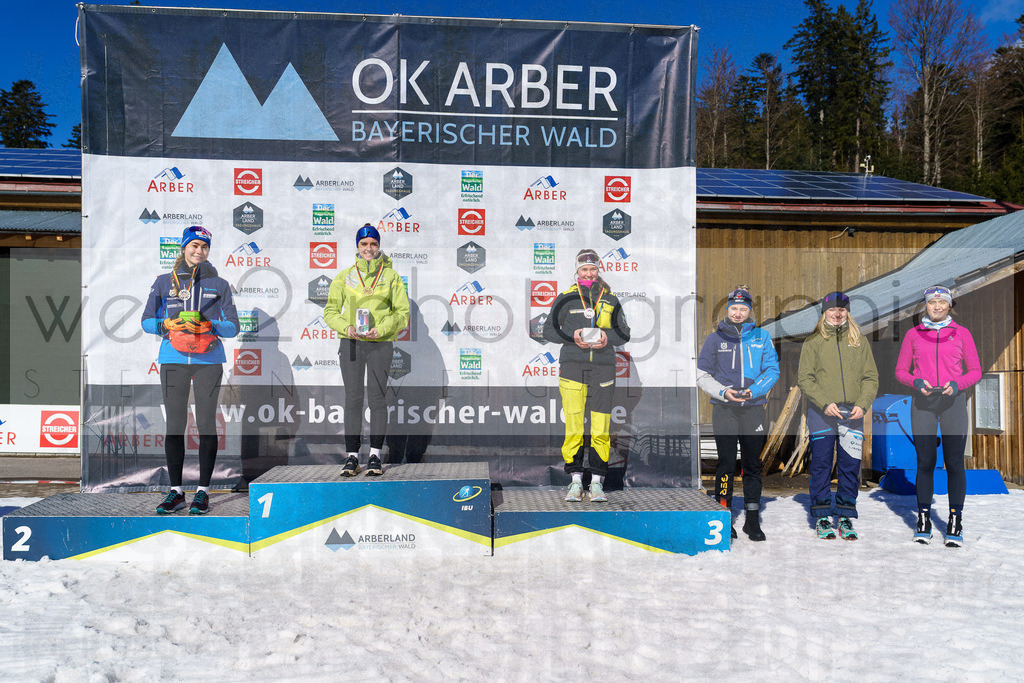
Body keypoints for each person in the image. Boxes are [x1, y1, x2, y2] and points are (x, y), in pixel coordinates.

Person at [141, 226, 239, 514]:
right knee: (174, 425)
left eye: (205, 247)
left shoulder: (219, 284)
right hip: (173, 359)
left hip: (209, 360)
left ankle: (203, 492)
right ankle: (175, 491)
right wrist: (166, 325)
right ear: (184, 248)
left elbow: (233, 327)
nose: (199, 251)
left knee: (207, 424)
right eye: (194, 245)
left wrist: (210, 325)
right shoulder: (162, 282)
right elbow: (146, 321)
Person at [895, 285, 982, 547]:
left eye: (942, 303)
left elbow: (975, 371)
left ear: (949, 306)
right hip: (923, 402)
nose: (936, 306)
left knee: (954, 462)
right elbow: (900, 371)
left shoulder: (962, 333)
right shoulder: (913, 334)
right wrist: (916, 381)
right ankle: (923, 518)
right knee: (925, 462)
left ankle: (955, 519)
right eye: (932, 303)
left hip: (953, 401)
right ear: (925, 305)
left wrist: (957, 384)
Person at [543, 249, 631, 502]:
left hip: (603, 368)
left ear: (598, 270)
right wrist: (572, 336)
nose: (589, 273)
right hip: (572, 366)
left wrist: (606, 336)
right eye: (584, 269)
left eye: (593, 269)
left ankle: (596, 483)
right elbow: (547, 331)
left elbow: (624, 333)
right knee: (573, 425)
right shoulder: (565, 298)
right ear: (577, 271)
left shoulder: (610, 299)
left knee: (601, 428)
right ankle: (574, 481)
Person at [324, 224, 410, 477]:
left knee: (377, 399)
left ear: (378, 246)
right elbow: (330, 311)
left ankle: (375, 456)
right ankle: (352, 457)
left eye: (373, 244)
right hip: (351, 343)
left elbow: (402, 313)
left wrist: (382, 329)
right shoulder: (345, 276)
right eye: (364, 244)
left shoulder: (391, 276)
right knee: (353, 400)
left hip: (380, 343)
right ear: (357, 247)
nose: (369, 249)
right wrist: (346, 327)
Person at [696, 287, 779, 541]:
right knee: (726, 463)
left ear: (750, 311)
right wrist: (723, 392)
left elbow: (772, 370)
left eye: (744, 309)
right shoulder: (714, 339)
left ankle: (752, 521)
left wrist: (753, 391)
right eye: (734, 308)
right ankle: (724, 515)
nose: (739, 313)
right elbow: (702, 375)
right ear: (727, 309)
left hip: (753, 409)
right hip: (725, 409)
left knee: (753, 465)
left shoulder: (762, 337)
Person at [797, 291, 878, 540]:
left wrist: (863, 405)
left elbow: (870, 377)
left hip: (852, 412)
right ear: (824, 312)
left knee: (849, 465)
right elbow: (805, 378)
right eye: (832, 309)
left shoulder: (859, 341)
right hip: (823, 413)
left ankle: (844, 514)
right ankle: (822, 515)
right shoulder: (813, 341)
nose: (837, 313)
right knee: (821, 463)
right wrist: (823, 403)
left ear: (847, 312)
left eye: (842, 309)